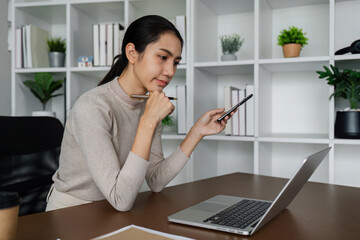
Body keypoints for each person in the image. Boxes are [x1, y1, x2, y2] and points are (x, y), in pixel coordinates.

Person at [46, 15, 233, 212]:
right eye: (163, 57)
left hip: (109, 212)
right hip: (71, 214)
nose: (170, 71)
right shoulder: (93, 106)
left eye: (176, 62)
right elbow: (121, 199)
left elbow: (156, 180)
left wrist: (197, 132)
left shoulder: (147, 107)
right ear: (132, 53)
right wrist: (149, 121)